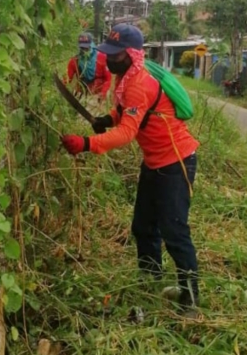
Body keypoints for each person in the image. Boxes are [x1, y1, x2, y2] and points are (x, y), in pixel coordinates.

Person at [59, 24, 202, 315]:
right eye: (108, 53)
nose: (109, 60)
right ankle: (151, 278)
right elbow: (124, 112)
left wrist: (87, 143)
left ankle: (190, 297)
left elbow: (127, 133)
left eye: (116, 55)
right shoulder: (126, 78)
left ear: (132, 54)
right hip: (154, 162)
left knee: (174, 230)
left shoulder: (140, 82)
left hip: (176, 161)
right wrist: (106, 119)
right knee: (143, 225)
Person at [65, 32, 111, 102]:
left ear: (91, 44)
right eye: (82, 47)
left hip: (97, 95)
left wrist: (103, 94)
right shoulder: (75, 60)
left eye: (86, 47)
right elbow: (67, 79)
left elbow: (108, 78)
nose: (84, 50)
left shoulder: (102, 58)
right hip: (81, 95)